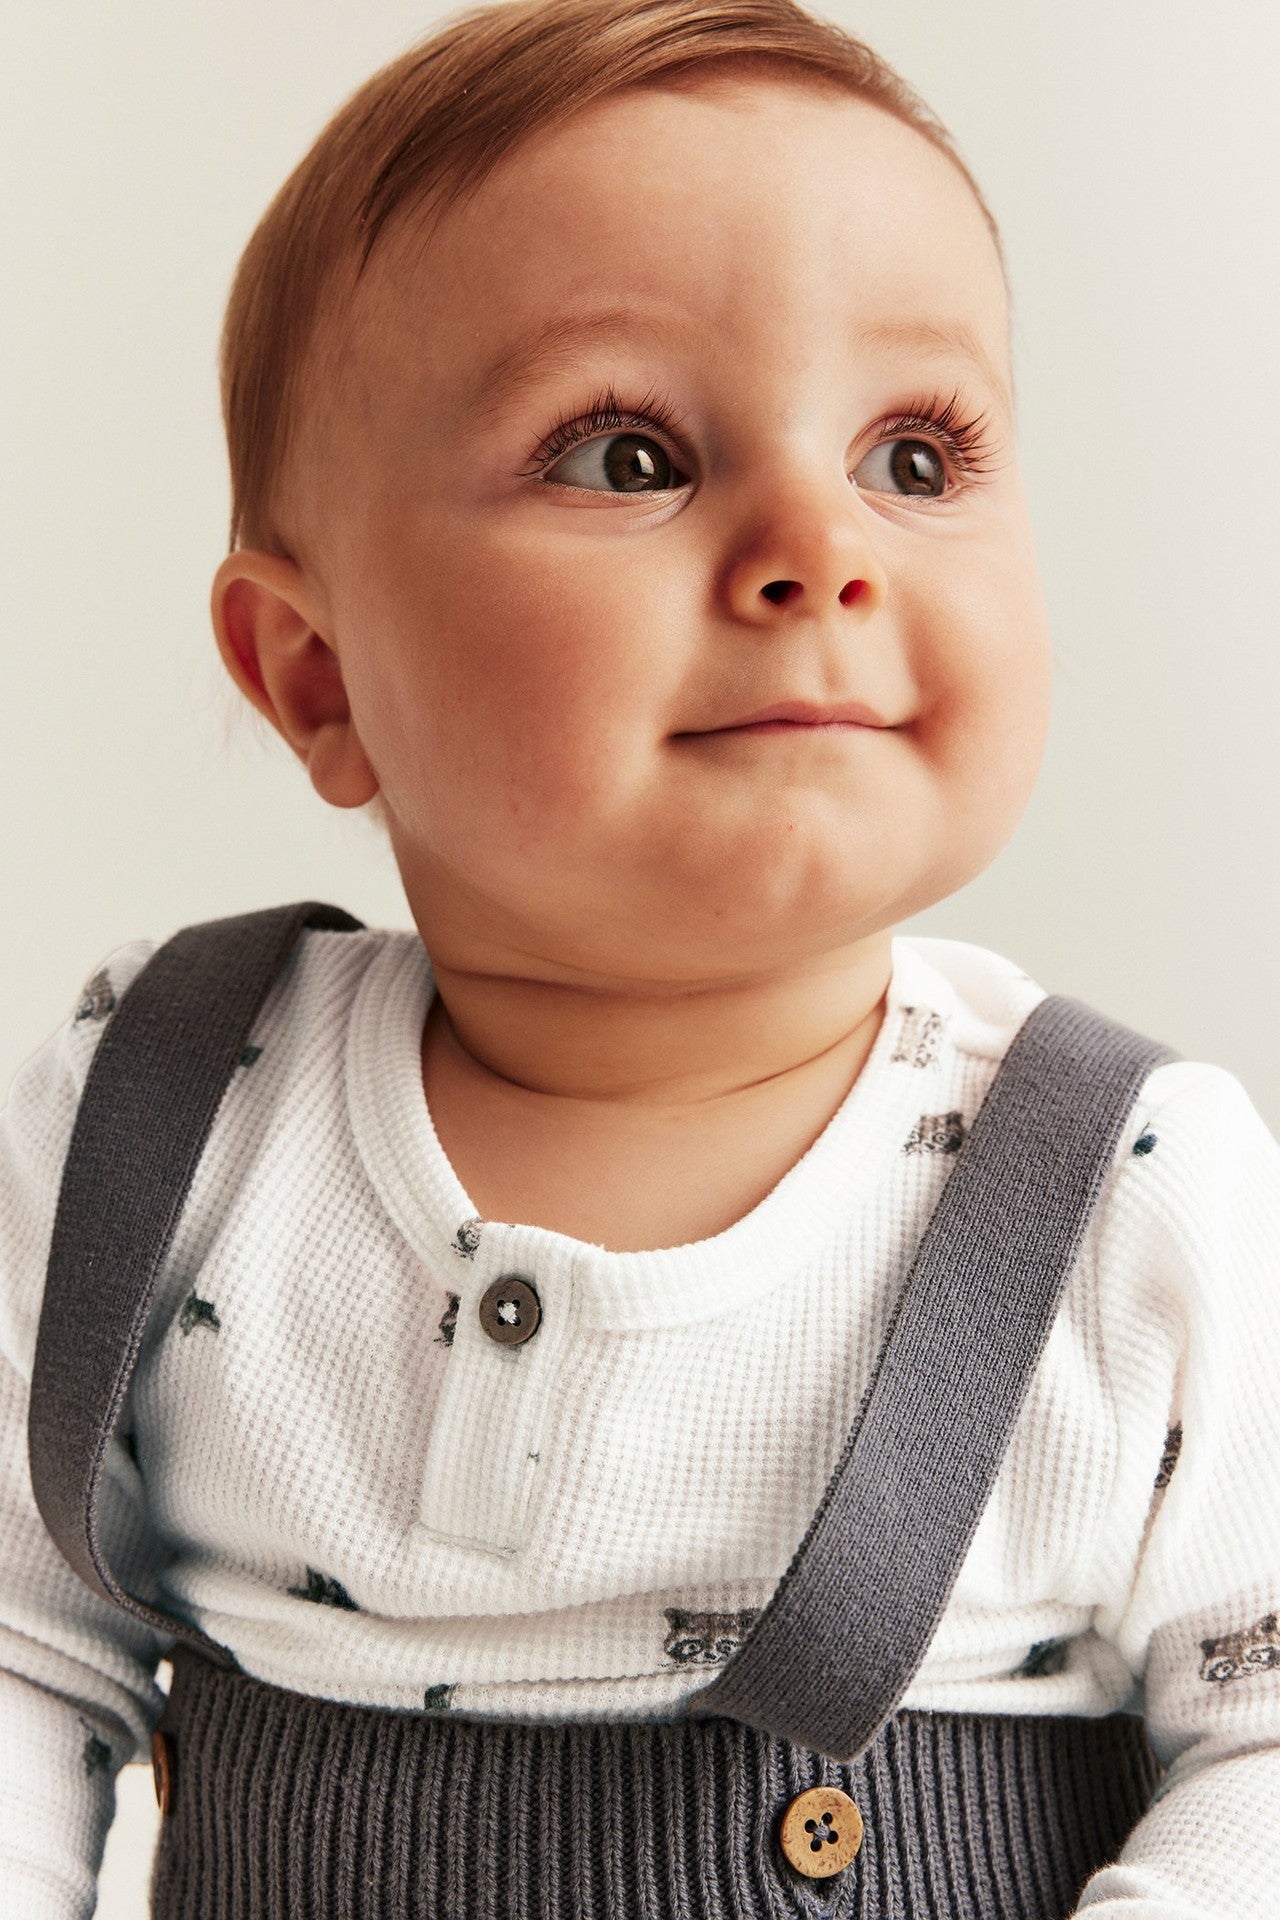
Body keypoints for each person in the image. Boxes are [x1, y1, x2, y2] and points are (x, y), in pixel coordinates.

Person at [3, 0, 1278, 1913]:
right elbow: (23, 1649)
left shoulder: (1127, 1192)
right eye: (626, 453)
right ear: (318, 678)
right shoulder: (171, 1109)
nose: (817, 545)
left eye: (916, 458)